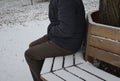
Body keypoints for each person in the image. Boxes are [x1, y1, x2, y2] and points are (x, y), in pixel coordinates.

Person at [24, 0, 86, 81]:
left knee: (29, 54)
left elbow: (66, 30)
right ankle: (44, 74)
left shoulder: (65, 2)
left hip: (68, 43)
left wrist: (51, 29)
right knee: (32, 46)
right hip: (63, 38)